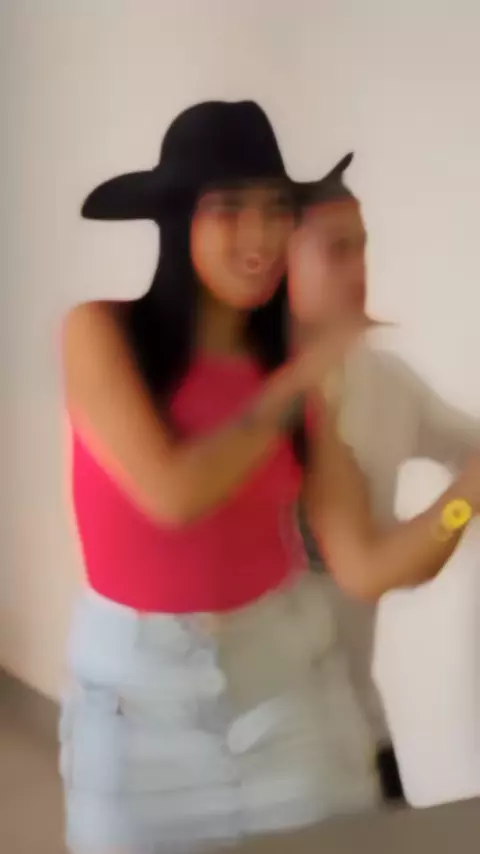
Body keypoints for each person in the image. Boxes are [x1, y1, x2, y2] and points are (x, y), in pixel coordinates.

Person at [60, 101, 380, 854]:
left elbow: (362, 562)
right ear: (178, 220)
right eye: (230, 209)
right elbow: (173, 494)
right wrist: (304, 374)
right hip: (135, 707)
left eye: (276, 209)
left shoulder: (296, 368)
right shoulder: (100, 331)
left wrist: (466, 499)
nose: (261, 236)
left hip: (285, 683)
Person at [287, 152, 480, 798]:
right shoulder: (248, 402)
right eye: (336, 249)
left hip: (357, 729)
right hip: (259, 752)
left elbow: (472, 459)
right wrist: (463, 501)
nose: (360, 270)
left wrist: (463, 500)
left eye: (363, 247)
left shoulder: (385, 382)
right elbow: (372, 567)